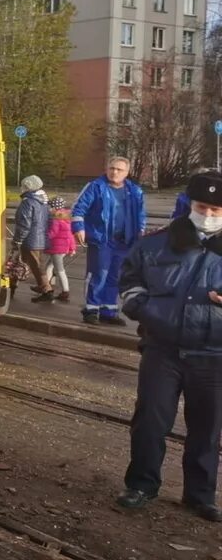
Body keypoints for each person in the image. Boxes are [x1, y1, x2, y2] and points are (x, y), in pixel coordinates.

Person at [116, 171, 222, 522]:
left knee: (207, 430)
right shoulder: (156, 244)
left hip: (213, 356)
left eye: (215, 209)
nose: (207, 214)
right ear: (189, 205)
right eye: (201, 206)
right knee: (150, 422)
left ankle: (200, 495)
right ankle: (142, 485)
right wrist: (153, 315)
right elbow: (130, 284)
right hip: (162, 351)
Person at [72, 156, 146, 326]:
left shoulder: (135, 191)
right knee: (98, 275)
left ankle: (109, 310)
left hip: (124, 240)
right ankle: (91, 309)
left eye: (119, 169)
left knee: (116, 276)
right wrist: (79, 227)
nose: (114, 172)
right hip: (101, 240)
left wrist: (140, 232)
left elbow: (140, 214)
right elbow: (79, 207)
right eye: (112, 168)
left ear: (127, 172)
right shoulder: (96, 187)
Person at [12, 175, 56, 302]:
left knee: (28, 265)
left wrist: (18, 240)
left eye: (24, 186)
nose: (22, 188)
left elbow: (24, 224)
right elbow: (49, 221)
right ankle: (12, 286)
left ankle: (47, 290)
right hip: (39, 239)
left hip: (29, 240)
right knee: (22, 263)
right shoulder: (43, 203)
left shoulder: (28, 202)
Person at [44, 196, 76, 303]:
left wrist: (42, 237)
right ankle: (47, 286)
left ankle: (65, 291)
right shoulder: (66, 218)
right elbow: (70, 235)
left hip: (56, 248)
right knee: (49, 267)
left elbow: (52, 234)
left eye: (50, 206)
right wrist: (72, 248)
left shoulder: (56, 220)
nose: (49, 208)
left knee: (60, 270)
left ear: (54, 207)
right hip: (63, 248)